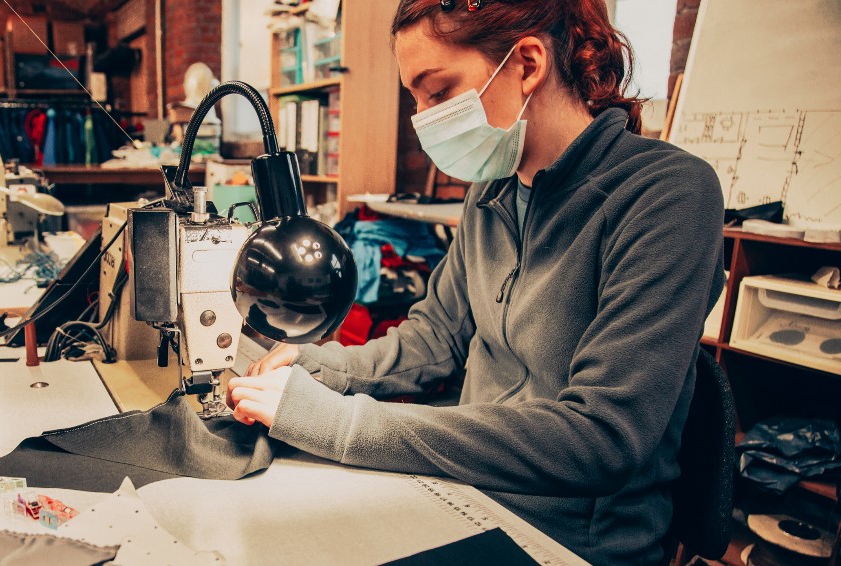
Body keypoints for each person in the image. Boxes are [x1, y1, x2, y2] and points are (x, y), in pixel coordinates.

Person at [227, 0, 725, 563]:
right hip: (465, 498)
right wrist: (321, 367)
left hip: (571, 544)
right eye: (415, 101)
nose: (422, 124)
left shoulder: (668, 196)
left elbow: (601, 438)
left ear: (528, 64)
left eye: (437, 93)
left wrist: (341, 424)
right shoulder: (491, 193)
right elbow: (431, 342)